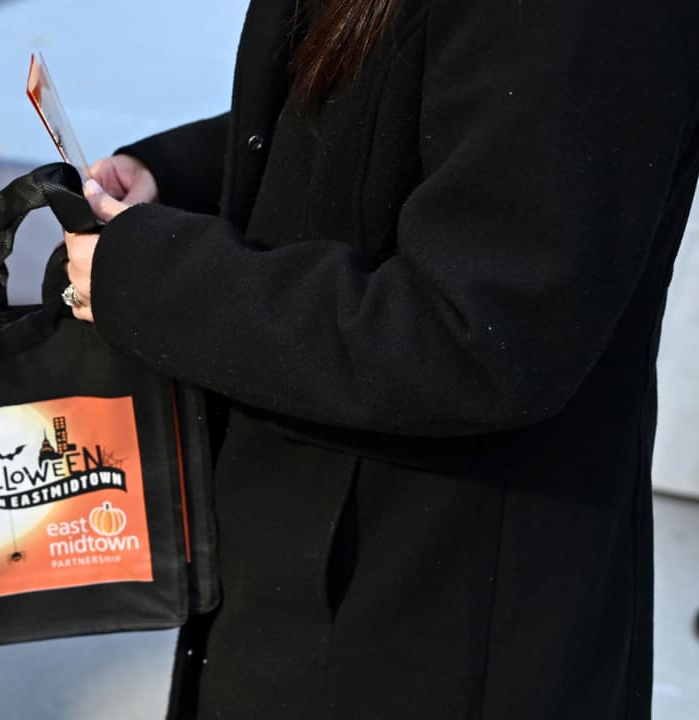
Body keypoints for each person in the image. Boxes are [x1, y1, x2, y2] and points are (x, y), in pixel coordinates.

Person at [60, 0, 699, 717]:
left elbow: (479, 336)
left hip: (443, 609)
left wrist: (161, 279)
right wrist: (177, 178)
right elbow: (376, 116)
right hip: (304, 566)